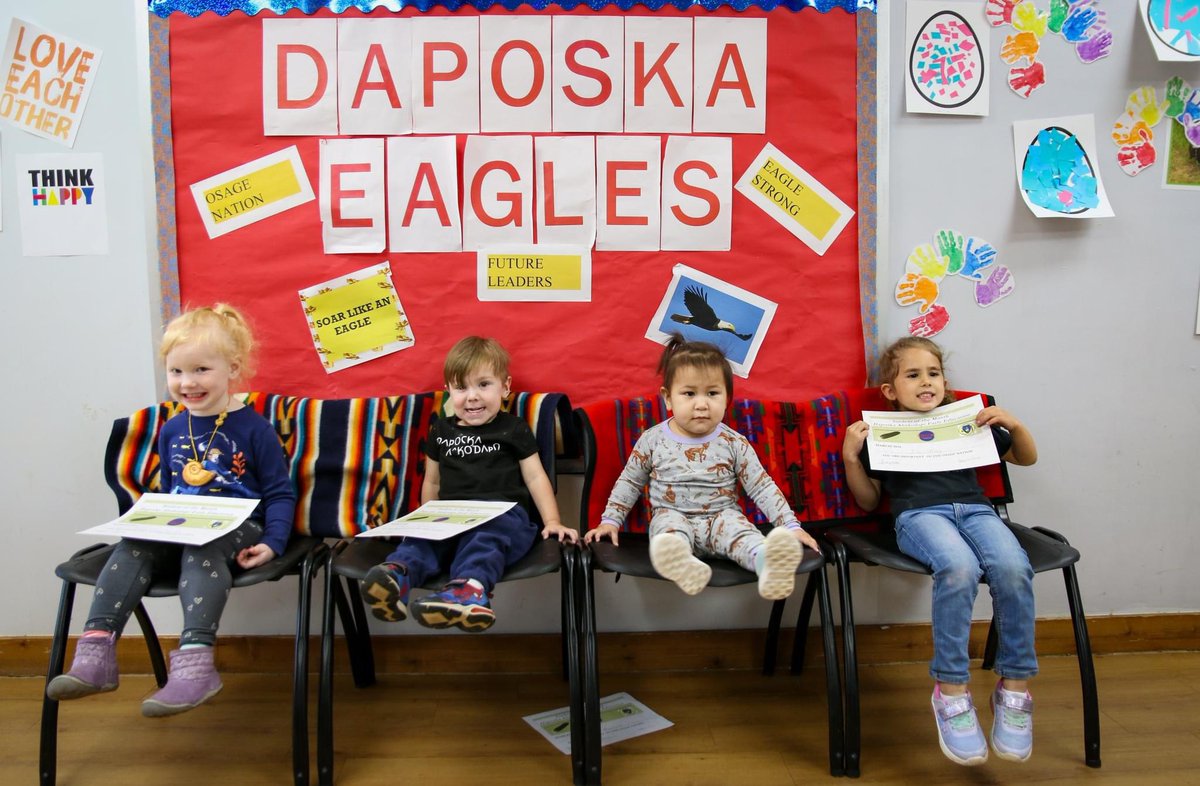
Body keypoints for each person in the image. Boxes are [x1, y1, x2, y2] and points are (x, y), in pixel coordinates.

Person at [47, 304, 296, 717]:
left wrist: (273, 543)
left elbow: (279, 493)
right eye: (176, 372)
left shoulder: (255, 429)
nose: (187, 382)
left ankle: (197, 663)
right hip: (185, 522)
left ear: (233, 369)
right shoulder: (173, 428)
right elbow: (170, 488)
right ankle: (96, 654)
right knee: (130, 546)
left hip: (238, 525)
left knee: (202, 550)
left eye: (201, 370)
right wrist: (149, 519)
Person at [841, 336, 1039, 766]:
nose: (925, 382)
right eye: (913, 375)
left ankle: (1015, 689)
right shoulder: (880, 433)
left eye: (933, 373)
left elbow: (1027, 459)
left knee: (1013, 567)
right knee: (958, 567)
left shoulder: (965, 421)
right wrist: (852, 459)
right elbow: (870, 502)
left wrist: (1015, 425)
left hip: (976, 511)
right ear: (891, 392)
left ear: (945, 382)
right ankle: (951, 692)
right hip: (919, 517)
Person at [361, 336, 578, 632]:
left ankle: (469, 590)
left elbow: (535, 476)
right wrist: (426, 521)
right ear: (448, 391)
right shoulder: (441, 430)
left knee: (485, 541)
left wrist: (553, 520)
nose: (472, 397)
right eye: (461, 387)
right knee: (421, 543)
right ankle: (397, 576)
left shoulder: (513, 428)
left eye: (483, 385)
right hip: (451, 514)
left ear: (506, 387)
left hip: (503, 516)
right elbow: (433, 481)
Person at [584, 335, 820, 600]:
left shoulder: (734, 442)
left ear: (727, 398)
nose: (701, 404)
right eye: (689, 393)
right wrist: (610, 521)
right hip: (674, 516)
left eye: (712, 393)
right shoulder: (653, 440)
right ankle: (683, 564)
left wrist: (791, 525)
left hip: (722, 517)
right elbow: (629, 483)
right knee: (668, 533)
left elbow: (762, 485)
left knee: (743, 533)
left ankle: (768, 564)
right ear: (668, 398)